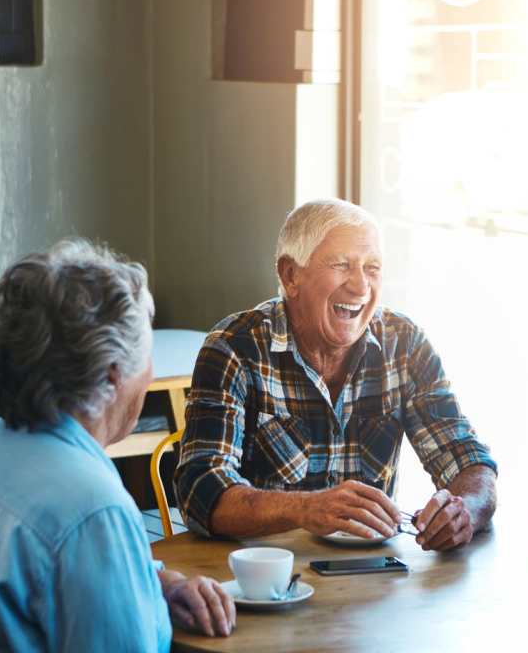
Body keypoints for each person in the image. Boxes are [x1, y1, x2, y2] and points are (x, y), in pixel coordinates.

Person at [0, 240, 235, 651]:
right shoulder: (93, 506)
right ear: (114, 375)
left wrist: (155, 582)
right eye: (147, 355)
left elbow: (52, 569)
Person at [175, 198, 497, 551]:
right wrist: (305, 508)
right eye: (342, 265)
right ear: (290, 275)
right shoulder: (234, 346)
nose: (361, 287)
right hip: (262, 578)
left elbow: (467, 459)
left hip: (372, 577)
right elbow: (199, 489)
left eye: (372, 268)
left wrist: (462, 511)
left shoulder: (404, 342)